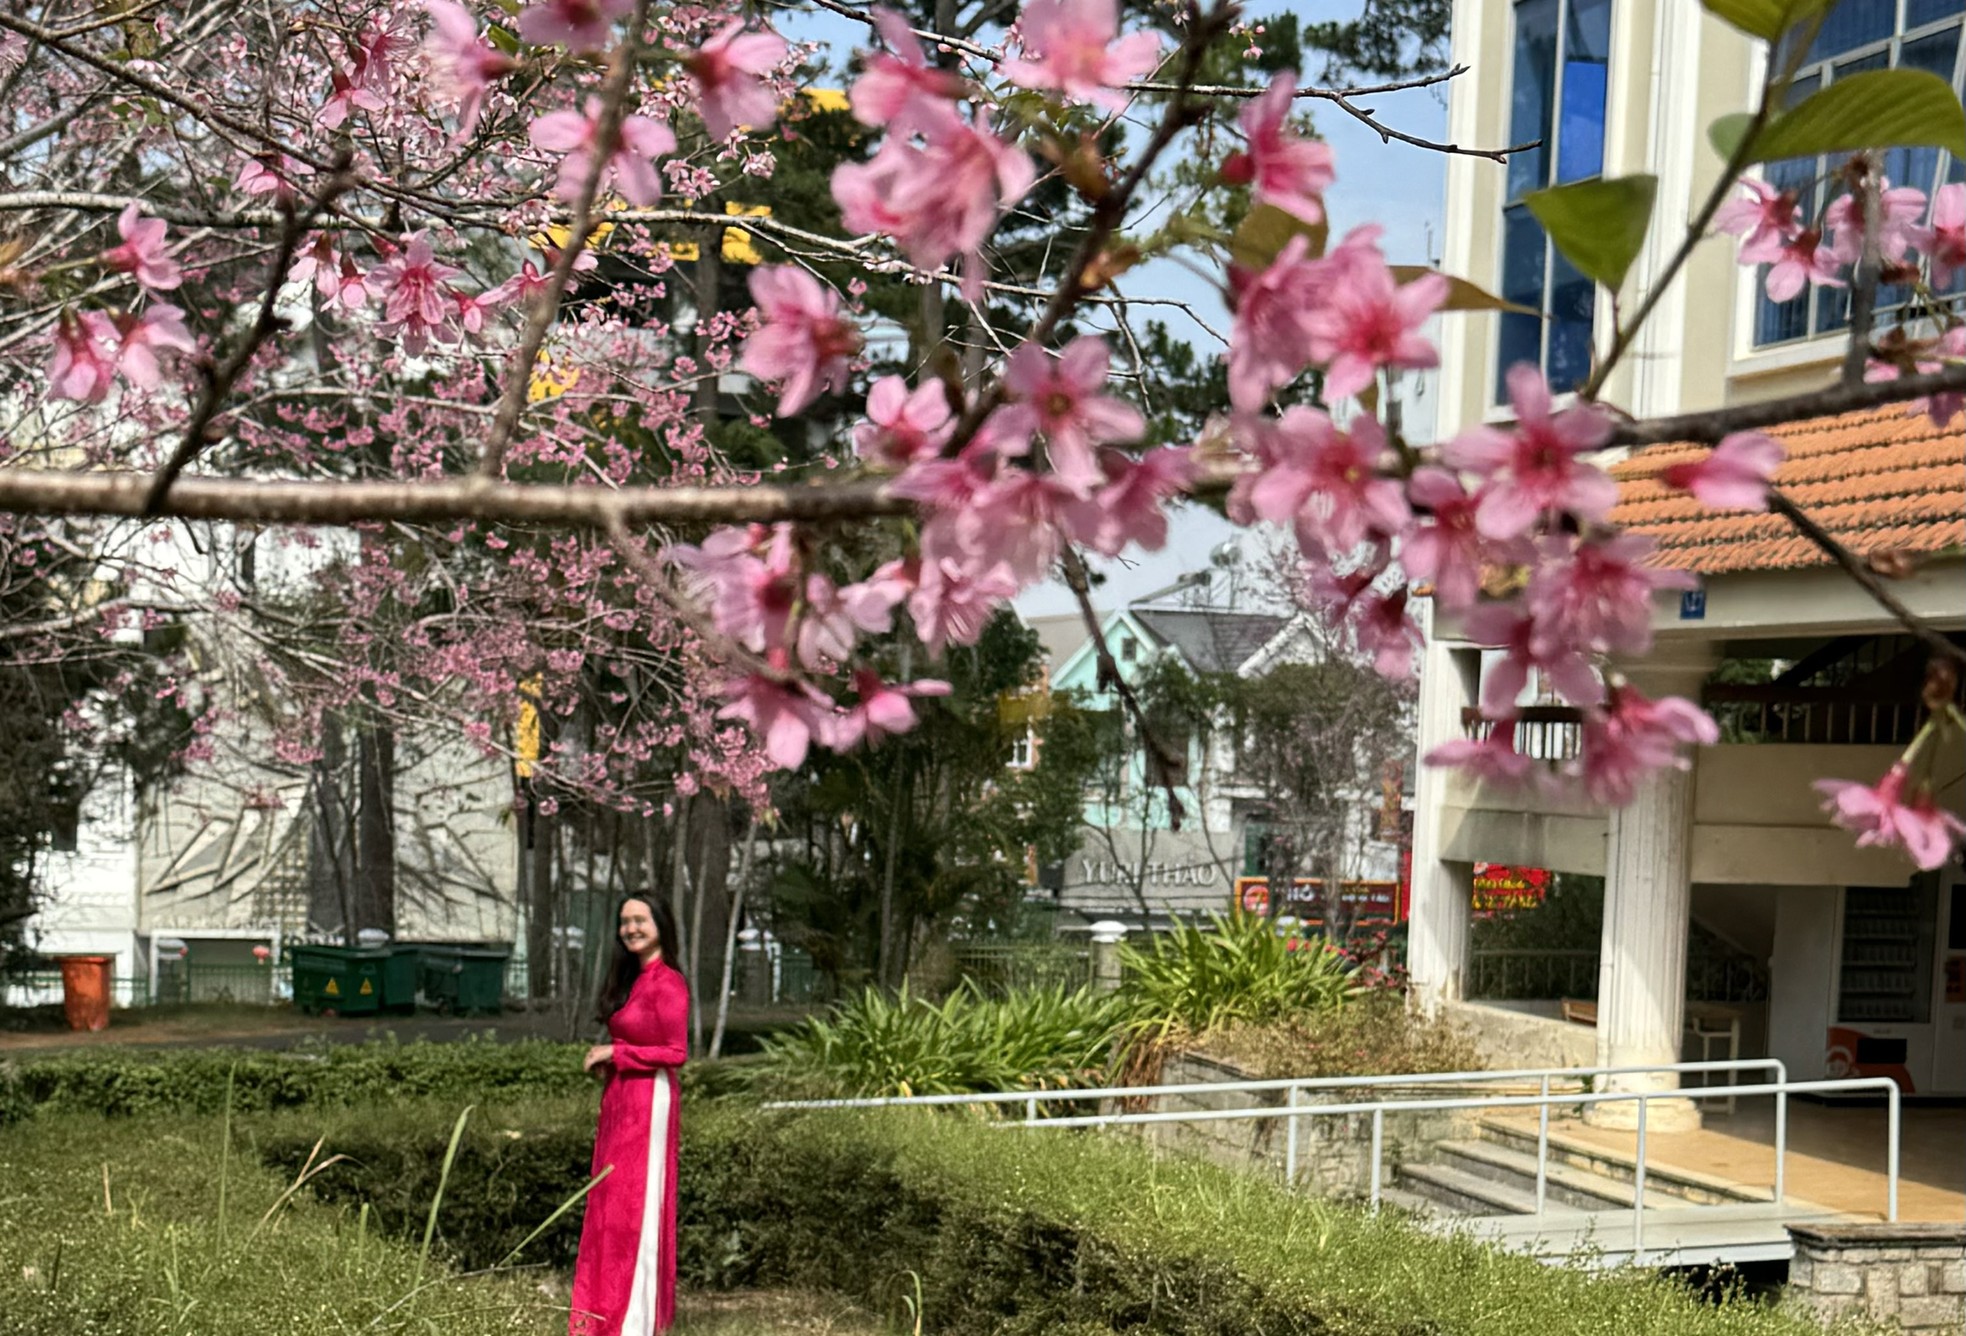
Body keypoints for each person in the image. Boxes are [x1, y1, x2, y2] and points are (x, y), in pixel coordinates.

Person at [569, 894, 689, 1336]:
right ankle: (607, 1311)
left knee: (637, 1204)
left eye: (640, 920)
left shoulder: (669, 982)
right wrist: (615, 1061)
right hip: (621, 1097)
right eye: (624, 922)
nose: (631, 928)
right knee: (612, 1203)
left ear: (660, 923)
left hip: (649, 1101)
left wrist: (618, 1052)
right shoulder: (633, 979)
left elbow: (676, 1053)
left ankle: (635, 1320)